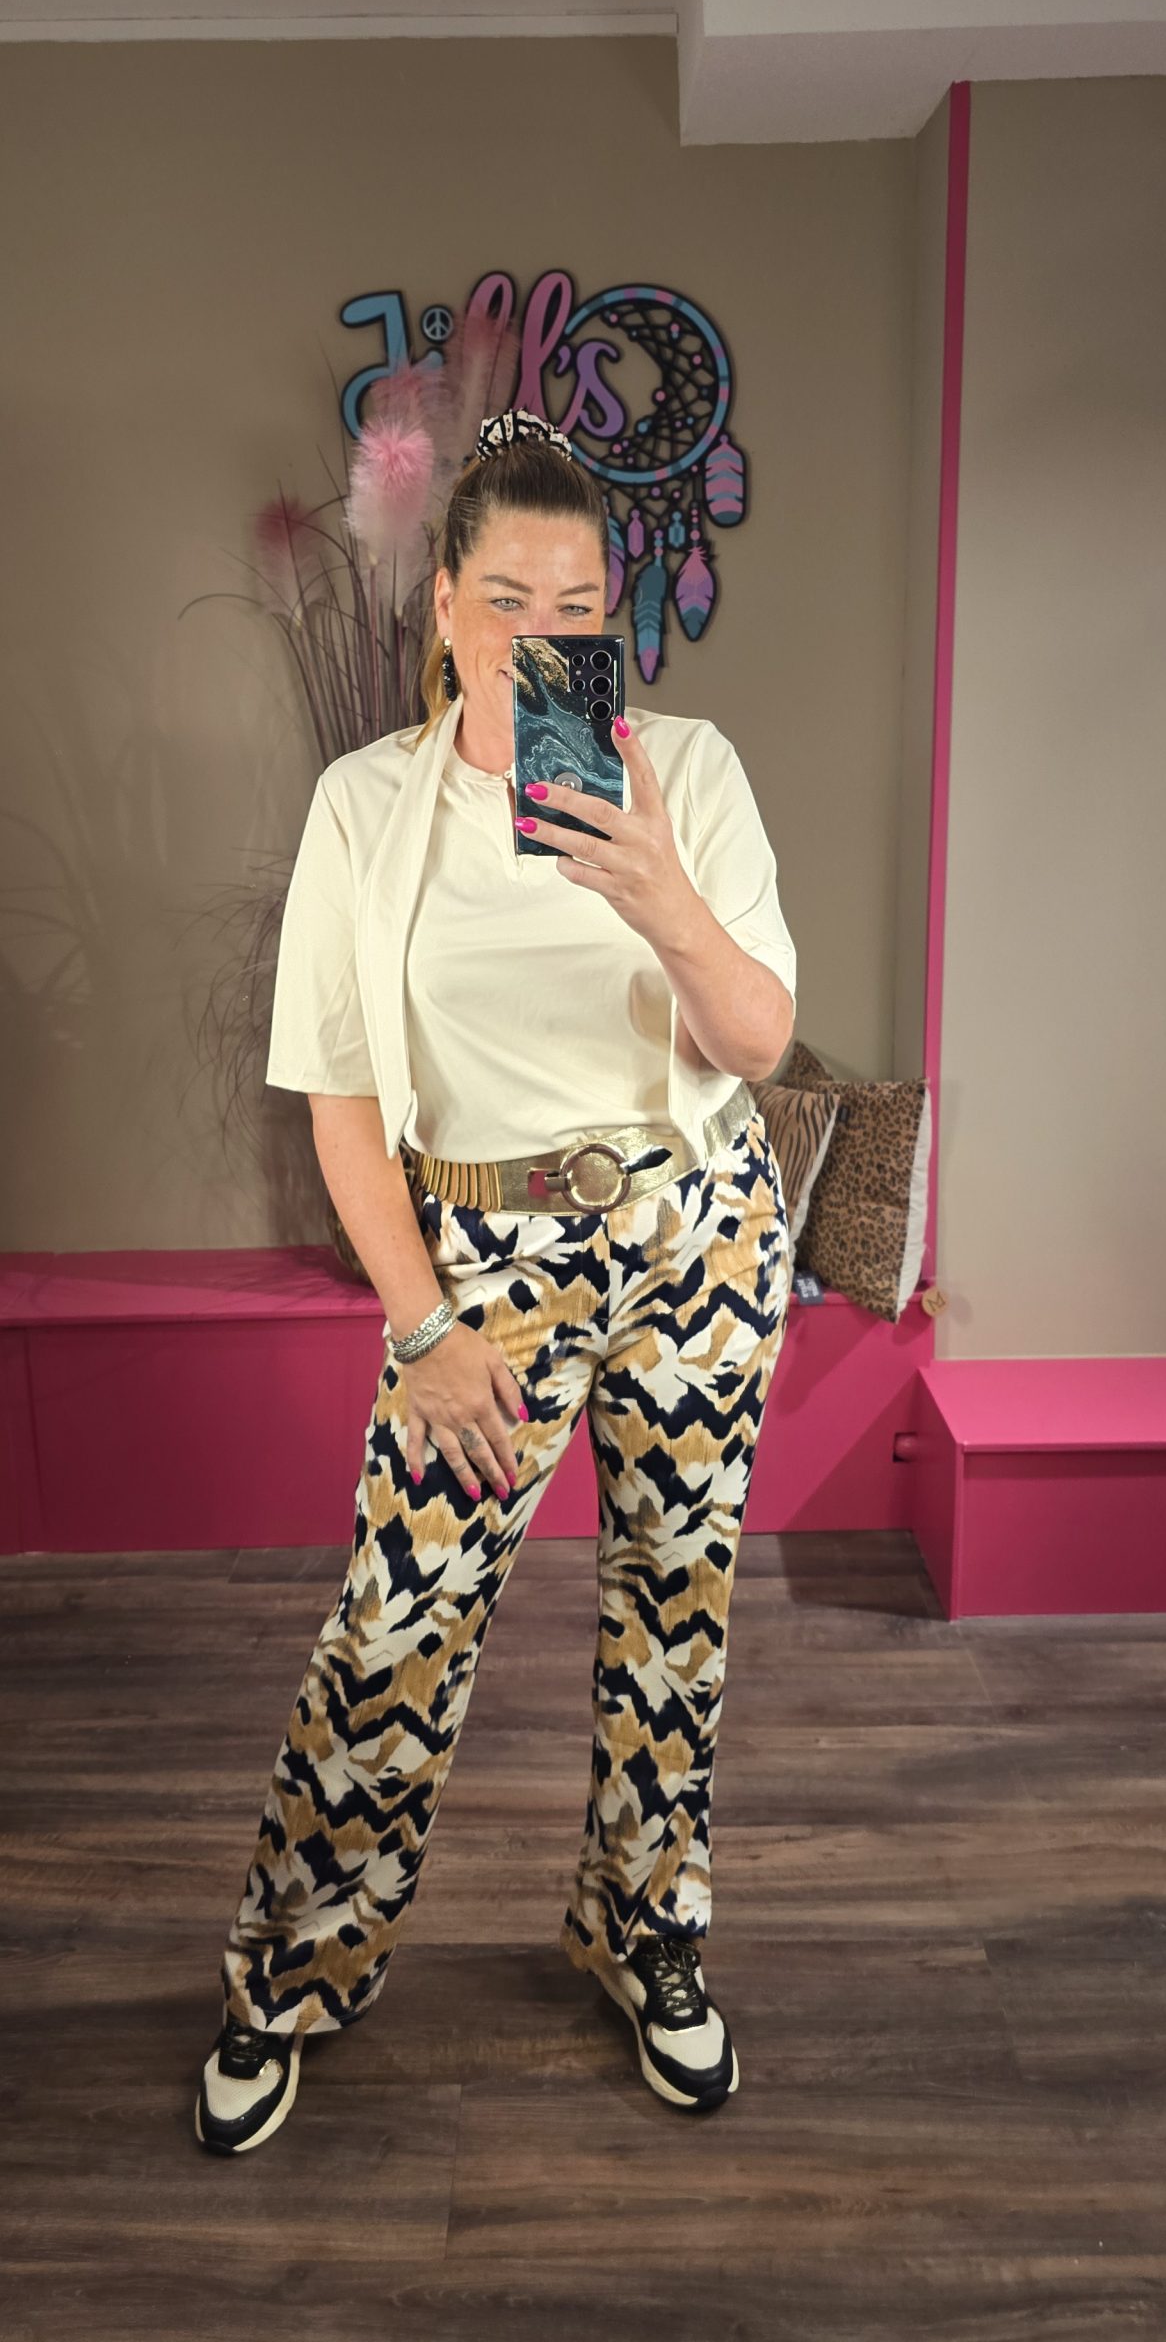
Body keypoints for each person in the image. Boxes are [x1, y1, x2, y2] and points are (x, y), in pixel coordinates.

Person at [195, 408, 797, 2157]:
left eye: (579, 602)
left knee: (679, 1611)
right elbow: (339, 1100)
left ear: (615, 616)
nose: (544, 630)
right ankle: (290, 1973)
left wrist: (660, 887)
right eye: (509, 598)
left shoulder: (690, 774)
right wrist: (428, 1326)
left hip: (696, 1230)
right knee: (396, 1631)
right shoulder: (365, 810)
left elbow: (757, 1039)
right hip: (485, 1259)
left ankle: (650, 1936)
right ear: (445, 608)